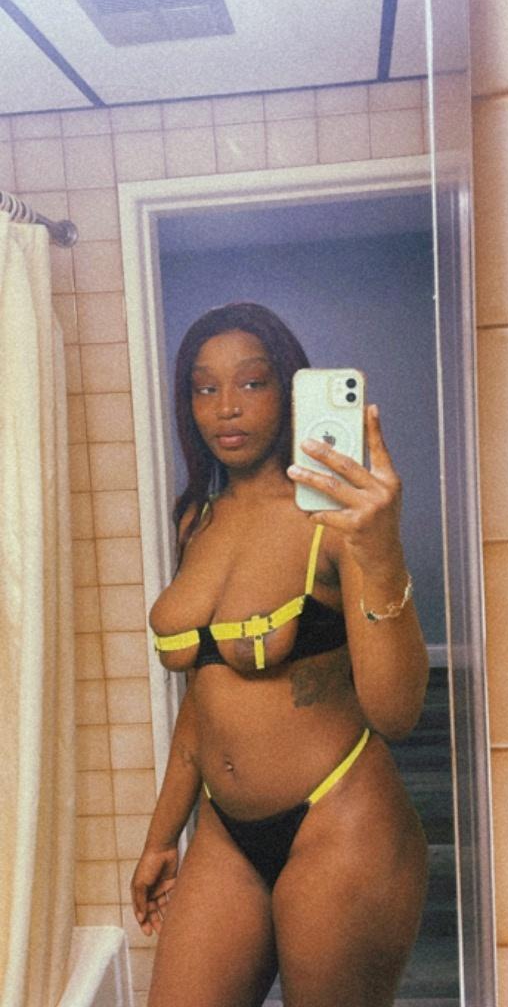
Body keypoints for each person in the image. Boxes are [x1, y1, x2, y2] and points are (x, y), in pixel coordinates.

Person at [131, 302, 429, 1007]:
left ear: (289, 389)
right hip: (223, 833)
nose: (226, 407)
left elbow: (397, 712)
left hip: (339, 819)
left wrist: (380, 551)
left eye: (252, 382)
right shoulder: (196, 519)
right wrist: (161, 837)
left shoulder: (334, 520)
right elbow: (203, 705)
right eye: (204, 388)